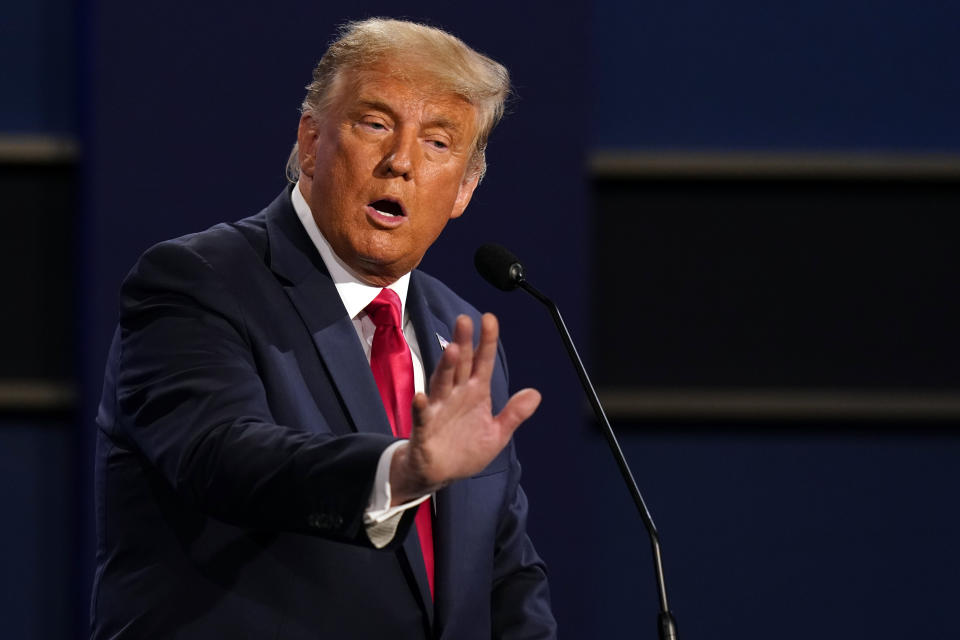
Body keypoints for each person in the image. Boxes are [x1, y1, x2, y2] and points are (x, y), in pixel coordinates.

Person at [90, 17, 556, 640]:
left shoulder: (461, 334)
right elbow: (222, 457)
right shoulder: (197, 281)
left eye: (438, 143)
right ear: (311, 142)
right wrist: (401, 470)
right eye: (376, 124)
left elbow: (504, 571)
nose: (401, 163)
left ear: (465, 189)